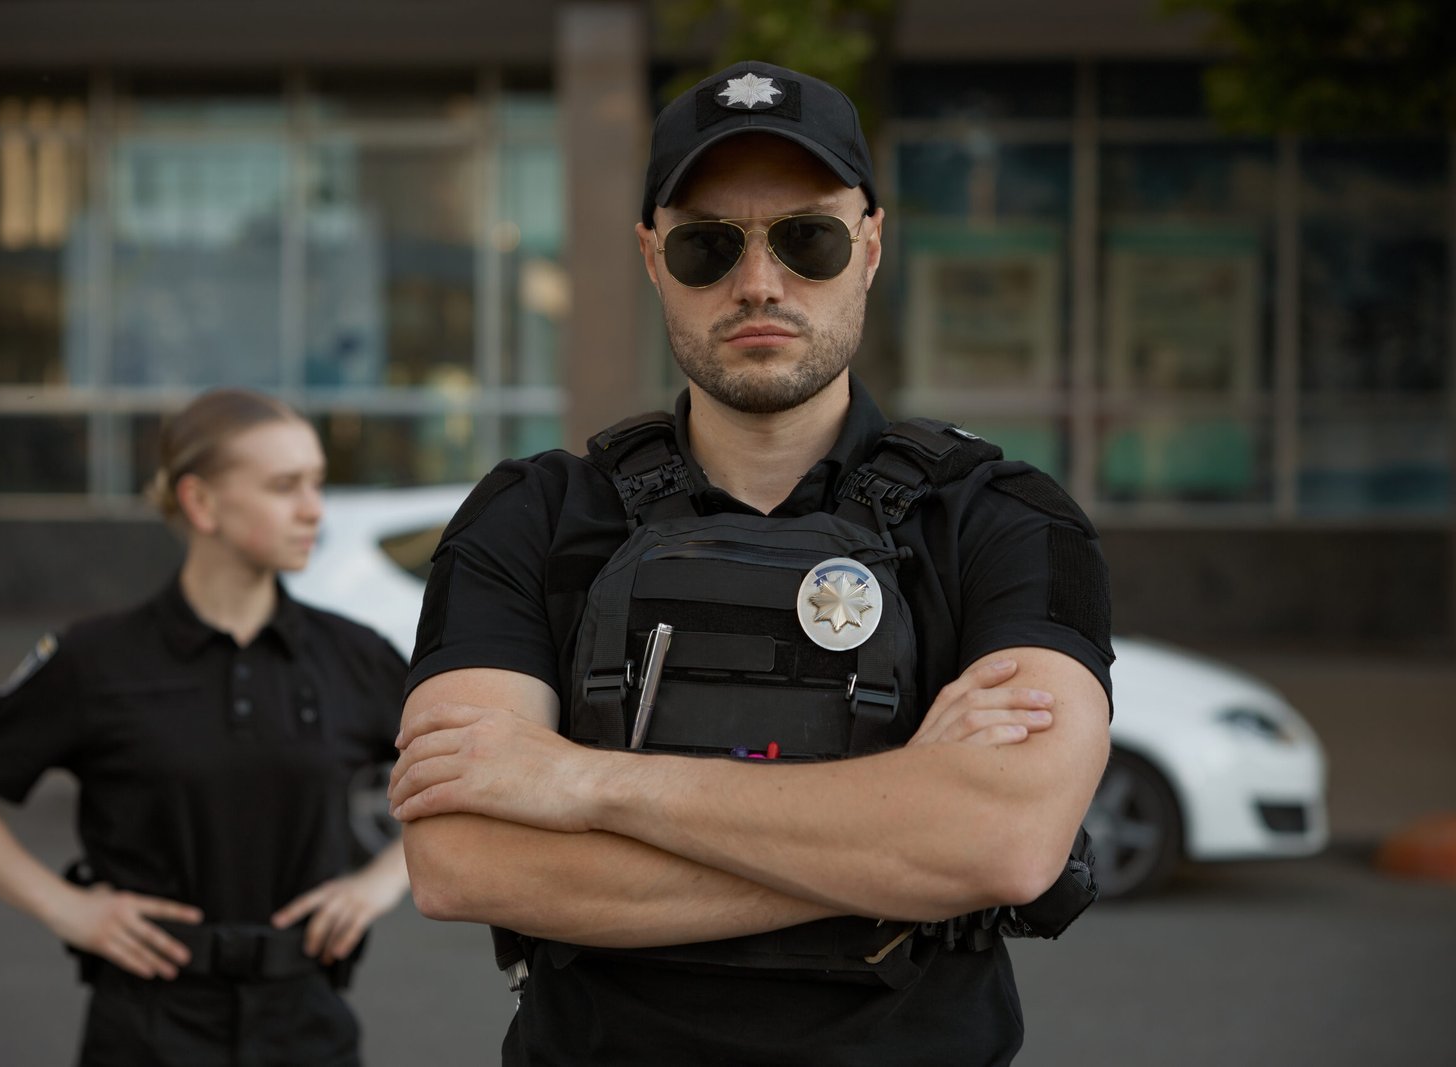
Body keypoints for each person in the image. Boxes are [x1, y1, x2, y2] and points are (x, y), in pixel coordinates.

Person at [390, 60, 1114, 1065]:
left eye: (807, 238)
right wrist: (900, 838)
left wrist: (584, 783)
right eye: (706, 245)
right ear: (651, 256)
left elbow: (1006, 842)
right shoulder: (532, 515)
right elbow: (463, 860)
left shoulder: (1001, 519)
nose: (759, 282)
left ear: (869, 246)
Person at [0, 388, 411, 1067]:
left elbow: (462, 787)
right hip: (149, 1030)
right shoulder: (96, 659)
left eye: (317, 483)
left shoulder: (355, 653)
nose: (314, 509)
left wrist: (378, 883)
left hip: (309, 1026)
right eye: (284, 485)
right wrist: (69, 910)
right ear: (201, 502)